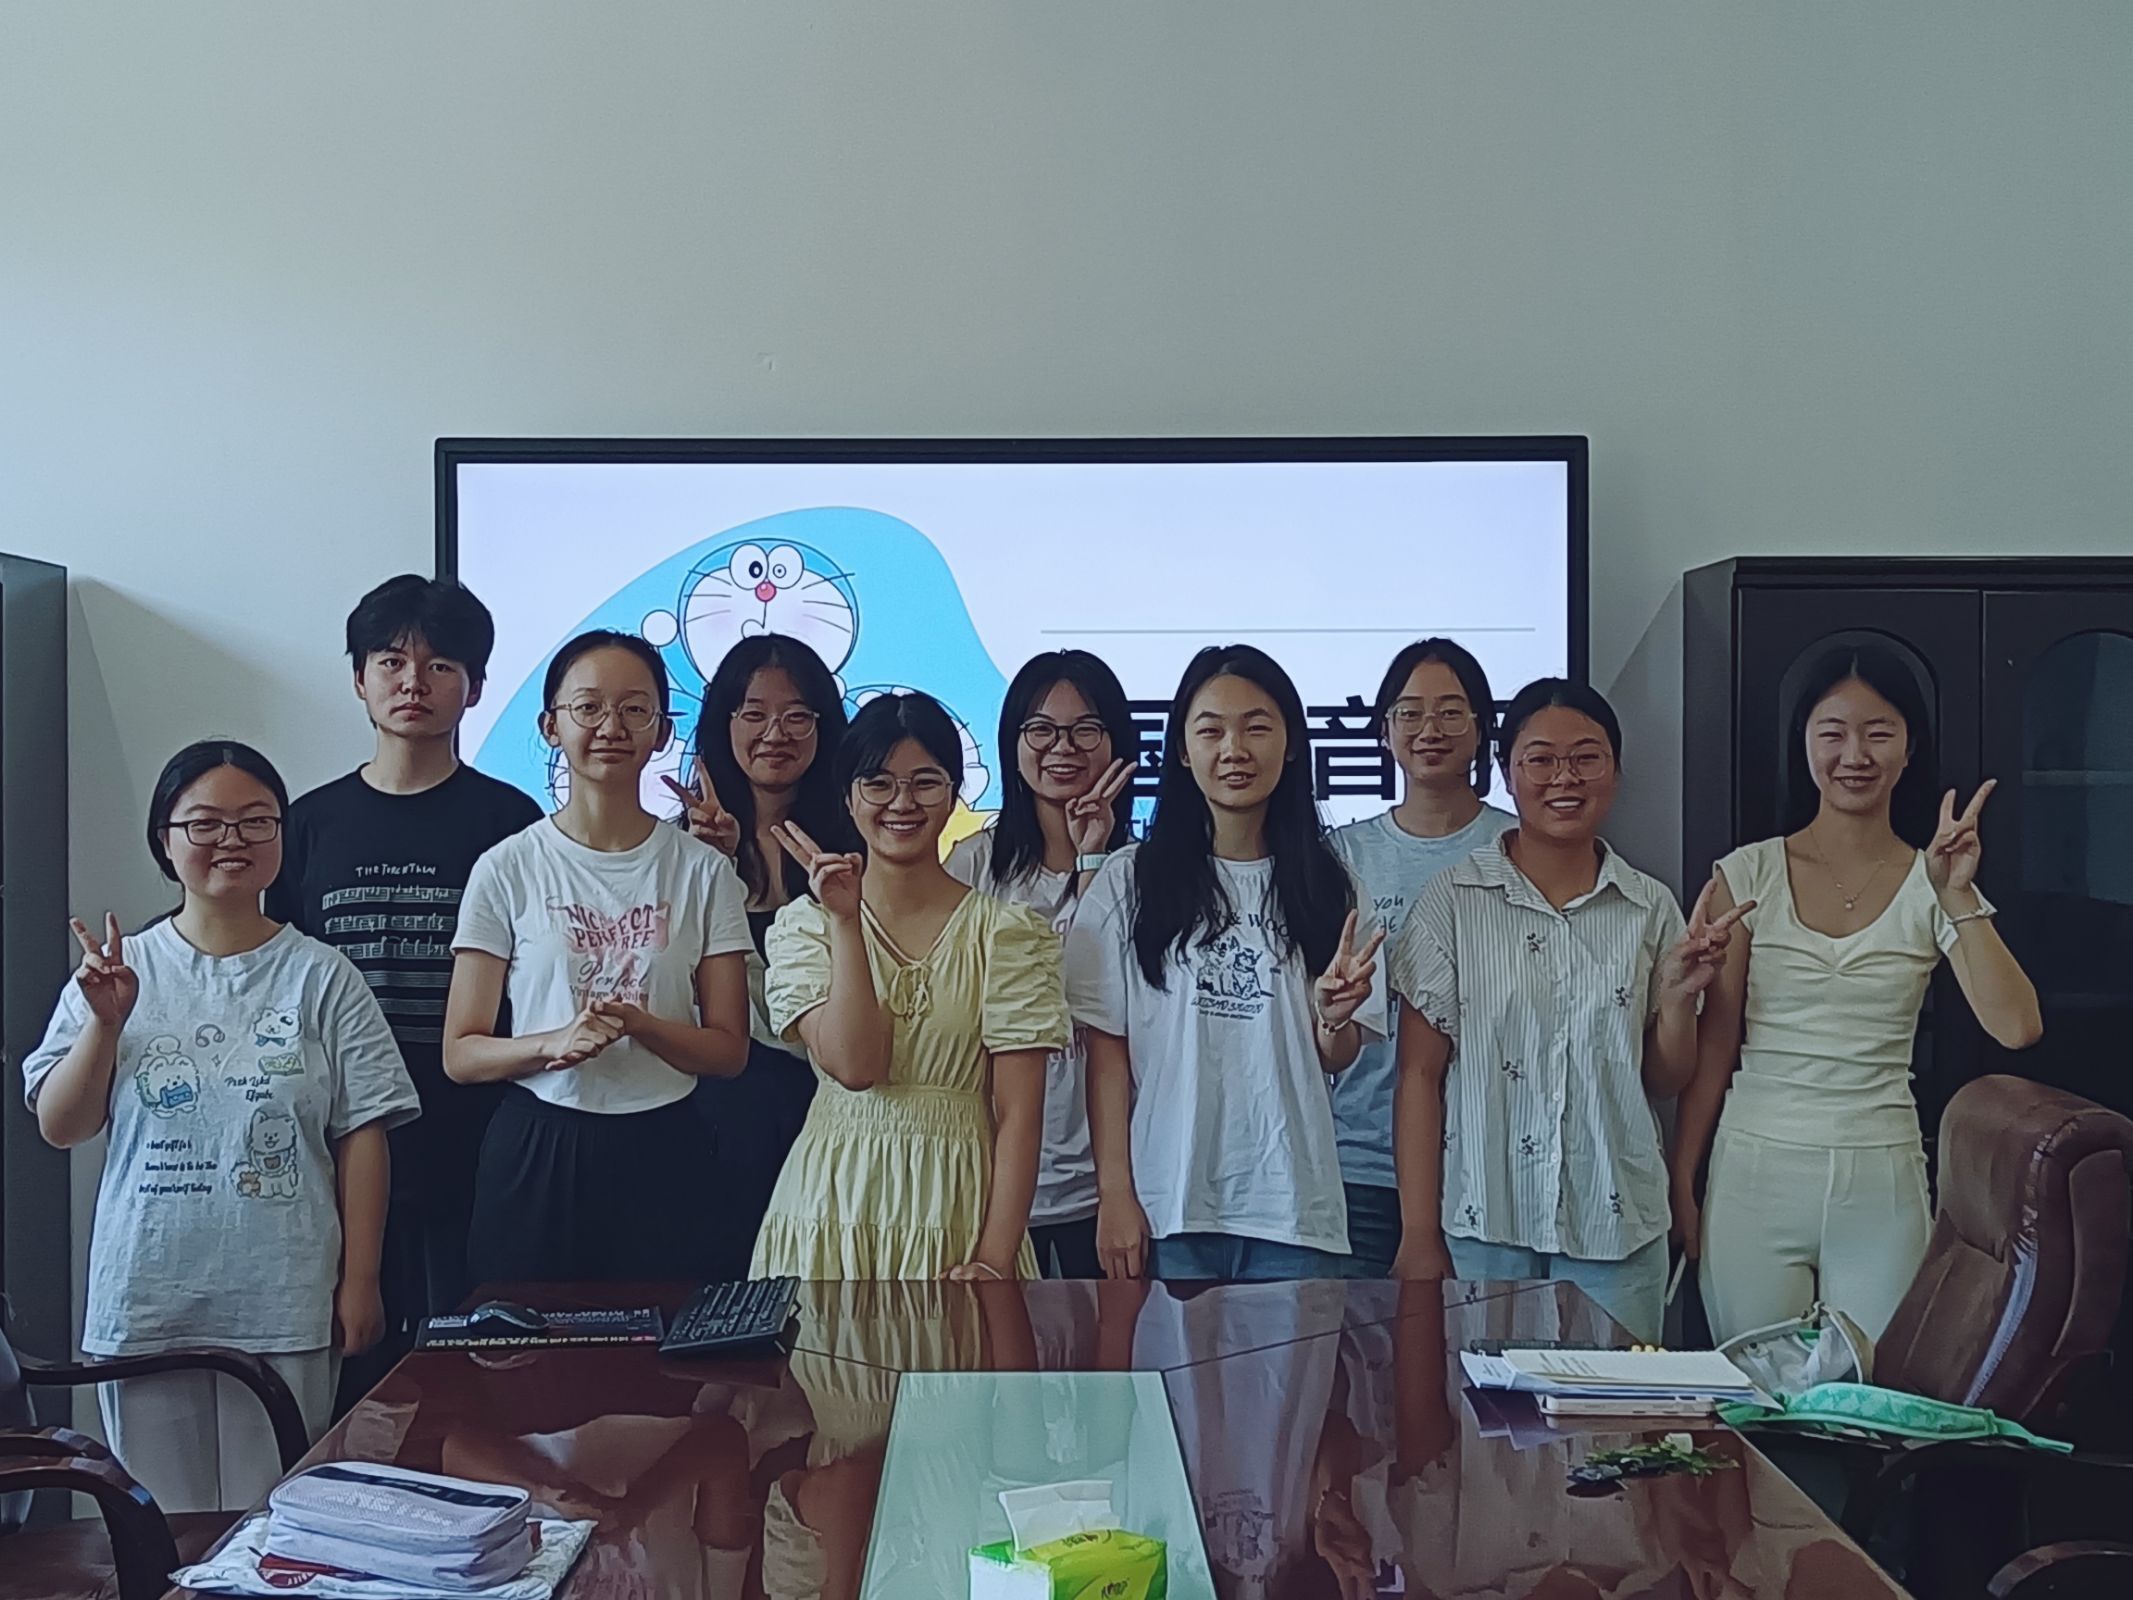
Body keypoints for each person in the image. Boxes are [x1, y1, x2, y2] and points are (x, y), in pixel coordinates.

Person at [24, 741, 419, 1512]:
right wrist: (104, 1025)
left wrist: (361, 1280)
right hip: (147, 1298)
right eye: (204, 823)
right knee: (162, 1534)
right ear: (165, 840)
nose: (231, 840)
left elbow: (362, 1133)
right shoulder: (119, 970)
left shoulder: (324, 976)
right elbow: (61, 1126)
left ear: (281, 835)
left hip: (286, 1298)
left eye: (255, 821)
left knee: (274, 1527)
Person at [1674, 646, 2043, 1342]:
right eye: (1833, 733)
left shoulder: (1933, 880)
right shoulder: (1747, 873)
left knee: (1875, 1394)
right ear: (1805, 743)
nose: (1855, 755)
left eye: (1878, 733)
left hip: (1881, 1171)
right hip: (1754, 1168)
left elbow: (2016, 1026)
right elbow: (1716, 1043)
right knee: (1755, 1391)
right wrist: (1682, 1177)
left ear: (1908, 749)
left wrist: (1956, 895)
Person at [1386, 680, 1739, 1343]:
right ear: (1506, 773)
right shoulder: (1453, 901)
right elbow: (1418, 1078)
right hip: (1486, 1222)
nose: (1563, 778)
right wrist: (1418, 1233)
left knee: (1616, 1410)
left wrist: (1673, 999)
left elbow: (1662, 1079)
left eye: (1585, 758)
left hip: (1616, 1224)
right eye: (1540, 760)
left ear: (1615, 770)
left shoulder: (1648, 906)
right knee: (1488, 1409)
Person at [267, 574, 540, 1398]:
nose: (412, 682)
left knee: (476, 1381)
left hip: (474, 1134)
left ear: (475, 687)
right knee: (352, 1376)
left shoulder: (511, 823)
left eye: (439, 665)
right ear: (359, 678)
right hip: (339, 1140)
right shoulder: (307, 824)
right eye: (390, 661)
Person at [1065, 643, 1386, 1283]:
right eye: (1211, 730)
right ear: (1183, 751)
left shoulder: (1332, 886)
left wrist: (1332, 1018)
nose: (1234, 750)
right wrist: (1116, 1194)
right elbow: (1105, 1055)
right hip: (1169, 1208)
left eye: (1256, 728)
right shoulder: (1129, 880)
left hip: (1295, 1212)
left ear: (1290, 745)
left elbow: (1338, 1054)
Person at [442, 629, 753, 1283]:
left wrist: (641, 1025)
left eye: (634, 709)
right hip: (539, 1145)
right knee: (524, 1344)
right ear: (550, 725)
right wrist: (553, 1043)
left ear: (662, 731)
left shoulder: (703, 872)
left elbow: (728, 1051)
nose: (611, 727)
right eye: (588, 707)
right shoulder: (507, 867)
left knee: (668, 1343)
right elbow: (461, 1054)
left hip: (667, 1148)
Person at [751, 691, 1069, 1281]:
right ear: (849, 797)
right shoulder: (807, 926)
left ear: (954, 794)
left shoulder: (1006, 934)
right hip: (830, 1206)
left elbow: (1020, 1117)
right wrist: (846, 921)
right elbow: (855, 1067)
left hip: (959, 1208)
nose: (902, 802)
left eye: (925, 783)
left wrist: (994, 1260)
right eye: (878, 784)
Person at [668, 633, 858, 1278]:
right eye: (754, 713)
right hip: (715, 1114)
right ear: (724, 724)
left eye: (797, 715)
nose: (775, 733)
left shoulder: (859, 844)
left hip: (836, 1106)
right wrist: (712, 868)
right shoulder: (677, 848)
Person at [945, 650, 1137, 1279]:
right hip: (992, 1181)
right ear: (1013, 742)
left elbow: (1101, 992)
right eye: (1041, 730)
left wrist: (1092, 860)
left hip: (1111, 1188)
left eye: (1086, 730)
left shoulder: (1142, 872)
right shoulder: (973, 866)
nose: (1063, 748)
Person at [1327, 639, 1514, 1277]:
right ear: (1384, 731)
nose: (1429, 730)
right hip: (1362, 1158)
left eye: (1451, 712)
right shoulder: (1343, 855)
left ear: (1482, 728)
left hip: (1489, 1163)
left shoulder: (1518, 847)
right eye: (1409, 713)